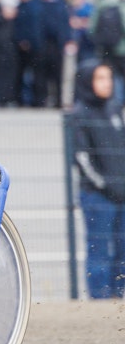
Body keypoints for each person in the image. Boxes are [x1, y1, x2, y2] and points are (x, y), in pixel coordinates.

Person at [69, 60, 125, 299]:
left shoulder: (115, 109)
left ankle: (119, 297)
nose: (107, 83)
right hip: (97, 196)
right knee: (99, 249)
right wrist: (106, 186)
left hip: (121, 193)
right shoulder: (79, 114)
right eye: (100, 78)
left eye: (108, 78)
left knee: (122, 250)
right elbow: (82, 159)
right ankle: (99, 299)